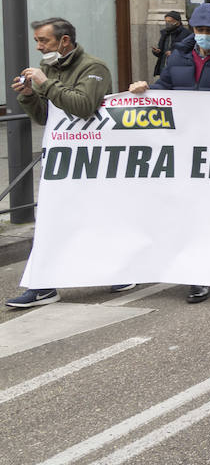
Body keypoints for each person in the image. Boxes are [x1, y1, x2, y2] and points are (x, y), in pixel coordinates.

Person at [129, 2, 210, 303]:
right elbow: (166, 86)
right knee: (188, 211)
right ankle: (197, 272)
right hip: (185, 148)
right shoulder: (179, 56)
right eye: (199, 30)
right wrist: (145, 90)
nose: (204, 36)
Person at [6, 18, 120, 308]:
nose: (39, 46)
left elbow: (83, 107)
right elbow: (46, 116)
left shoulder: (94, 67)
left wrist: (46, 84)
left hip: (94, 156)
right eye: (37, 41)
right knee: (51, 219)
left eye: (43, 40)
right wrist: (30, 96)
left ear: (64, 41)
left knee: (95, 217)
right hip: (62, 157)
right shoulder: (48, 69)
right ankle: (43, 286)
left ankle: (120, 270)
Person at [151, 11, 188, 78]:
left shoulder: (186, 34)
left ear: (177, 22)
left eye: (170, 21)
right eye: (166, 21)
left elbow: (188, 51)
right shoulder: (165, 33)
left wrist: (174, 53)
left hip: (178, 69)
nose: (167, 24)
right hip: (164, 68)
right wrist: (157, 51)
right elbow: (161, 51)